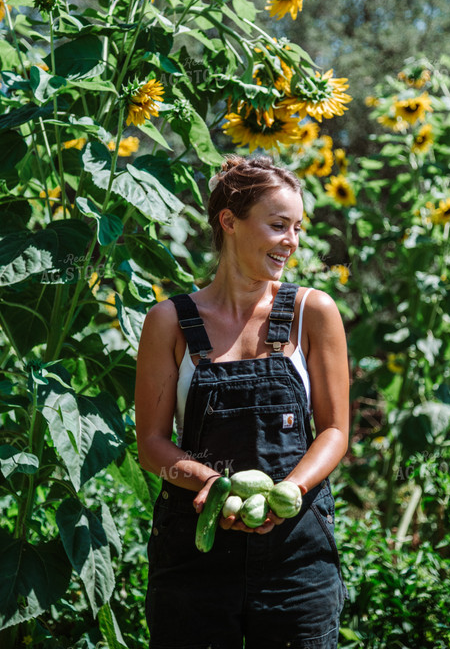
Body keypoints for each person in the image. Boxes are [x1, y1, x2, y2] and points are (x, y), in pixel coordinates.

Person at [135, 155, 350, 649]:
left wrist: (290, 491)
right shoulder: (168, 321)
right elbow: (150, 444)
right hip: (194, 556)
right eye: (278, 226)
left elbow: (335, 432)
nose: (292, 242)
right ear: (229, 222)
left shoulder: (311, 312)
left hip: (298, 560)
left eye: (297, 228)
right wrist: (208, 482)